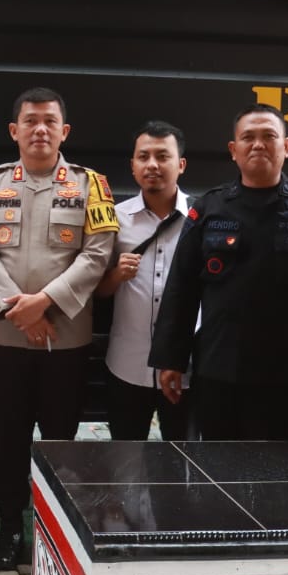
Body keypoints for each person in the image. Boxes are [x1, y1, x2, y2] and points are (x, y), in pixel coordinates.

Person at [0, 87, 117, 570]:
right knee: (7, 437)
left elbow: (98, 253)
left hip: (64, 340)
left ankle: (54, 534)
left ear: (64, 131)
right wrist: (21, 312)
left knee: (60, 441)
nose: (40, 130)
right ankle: (9, 527)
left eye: (49, 121)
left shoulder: (93, 185)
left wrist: (44, 305)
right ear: (14, 131)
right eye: (30, 121)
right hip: (7, 340)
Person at [150, 103, 288, 441]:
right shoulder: (209, 207)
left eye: (269, 136)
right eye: (248, 137)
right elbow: (182, 287)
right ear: (234, 150)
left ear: (287, 147)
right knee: (217, 463)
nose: (258, 144)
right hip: (218, 367)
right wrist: (171, 359)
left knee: (274, 466)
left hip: (283, 374)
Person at [95, 120, 192, 441]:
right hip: (127, 365)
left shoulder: (201, 219)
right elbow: (97, 290)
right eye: (144, 156)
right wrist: (116, 275)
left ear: (181, 164)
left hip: (184, 369)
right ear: (133, 166)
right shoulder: (115, 217)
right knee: (126, 456)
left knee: (183, 459)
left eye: (162, 156)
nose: (152, 164)